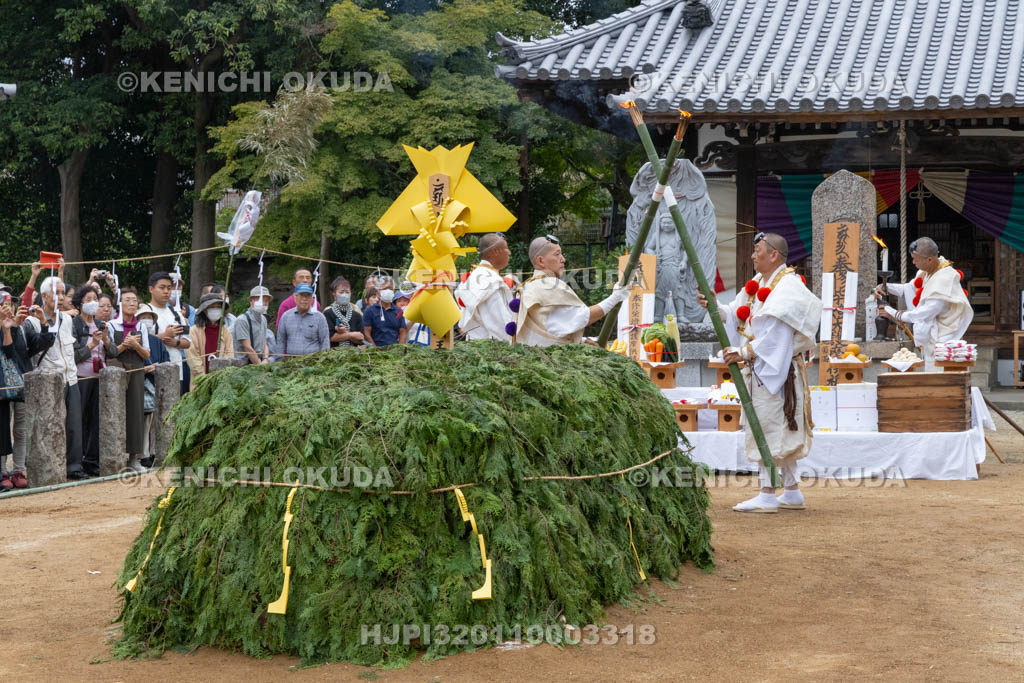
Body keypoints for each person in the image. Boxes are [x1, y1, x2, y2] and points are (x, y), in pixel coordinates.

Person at [698, 232, 821, 513]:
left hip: (779, 369)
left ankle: (767, 493)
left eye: (757, 251)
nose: (753, 255)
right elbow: (736, 313)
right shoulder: (757, 284)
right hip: (762, 366)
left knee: (769, 426)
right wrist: (715, 306)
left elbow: (778, 333)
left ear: (773, 254)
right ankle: (791, 491)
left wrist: (744, 352)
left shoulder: (788, 285)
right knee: (775, 426)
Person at [876, 236, 973, 371]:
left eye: (916, 259)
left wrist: (894, 313)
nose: (913, 262)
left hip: (944, 340)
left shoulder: (944, 278)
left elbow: (924, 313)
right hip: (931, 338)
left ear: (929, 259)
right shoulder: (927, 271)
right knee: (931, 377)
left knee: (942, 378)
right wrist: (885, 286)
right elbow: (910, 288)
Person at [24, 276, 88, 479]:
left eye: (62, 293)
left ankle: (74, 466)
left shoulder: (67, 320)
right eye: (55, 293)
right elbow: (31, 350)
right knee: (49, 425)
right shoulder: (31, 322)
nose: (60, 297)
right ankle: (50, 467)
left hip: (71, 377)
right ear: (44, 296)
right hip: (47, 380)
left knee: (74, 425)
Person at [515, 235, 628, 346]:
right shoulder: (548, 284)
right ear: (541, 261)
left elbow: (549, 328)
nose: (563, 259)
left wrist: (581, 340)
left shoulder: (528, 286)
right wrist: (615, 297)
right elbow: (583, 317)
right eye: (557, 254)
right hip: (552, 356)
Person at [1, 299, 54, 489]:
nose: (8, 308)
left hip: (22, 382)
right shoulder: (9, 327)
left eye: (10, 304)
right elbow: (8, 352)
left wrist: (44, 324)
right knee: (2, 429)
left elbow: (42, 344)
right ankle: (2, 471)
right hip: (2, 386)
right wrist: (7, 328)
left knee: (21, 429)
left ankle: (18, 470)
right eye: (3, 304)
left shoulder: (23, 328)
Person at [106, 289, 151, 473]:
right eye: (127, 300)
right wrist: (125, 345)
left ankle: (134, 458)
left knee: (135, 412)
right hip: (117, 369)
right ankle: (113, 457)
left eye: (134, 300)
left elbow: (147, 354)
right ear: (119, 304)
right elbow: (109, 352)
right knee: (114, 411)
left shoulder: (141, 326)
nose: (132, 303)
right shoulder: (111, 325)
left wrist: (136, 345)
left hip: (137, 370)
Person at [71, 286, 109, 475]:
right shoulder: (74, 324)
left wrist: (106, 340)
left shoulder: (100, 324)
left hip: (100, 376)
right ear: (79, 303)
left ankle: (92, 460)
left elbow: (113, 351)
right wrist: (92, 344)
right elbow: (73, 355)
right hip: (80, 377)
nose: (93, 302)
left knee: (96, 420)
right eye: (88, 299)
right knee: (79, 420)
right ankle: (76, 462)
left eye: (95, 298)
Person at [455, 233, 515, 340]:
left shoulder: (478, 275)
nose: (509, 252)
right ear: (495, 251)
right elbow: (501, 327)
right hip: (492, 346)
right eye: (506, 248)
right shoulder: (488, 281)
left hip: (477, 344)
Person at [137, 303, 170, 468]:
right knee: (144, 421)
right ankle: (143, 454)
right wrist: (144, 369)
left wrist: (157, 367)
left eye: (149, 317)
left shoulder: (157, 341)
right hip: (141, 384)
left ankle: (154, 452)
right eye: (143, 317)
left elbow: (167, 361)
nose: (146, 320)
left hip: (157, 384)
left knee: (157, 421)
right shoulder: (134, 339)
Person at [148, 271, 191, 394]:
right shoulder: (145, 312)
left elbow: (187, 342)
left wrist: (175, 343)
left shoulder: (176, 313)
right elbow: (141, 340)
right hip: (153, 370)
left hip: (177, 369)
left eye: (169, 288)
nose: (166, 291)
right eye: (162, 288)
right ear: (151, 289)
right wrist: (164, 336)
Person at [275, 283, 330, 358]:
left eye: (308, 296)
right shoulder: (286, 316)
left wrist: (323, 360)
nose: (304, 299)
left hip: (313, 361)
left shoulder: (320, 317)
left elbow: (325, 342)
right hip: (291, 362)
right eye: (301, 295)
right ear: (295, 297)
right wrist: (279, 361)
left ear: (312, 298)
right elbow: (281, 342)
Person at [186, 293, 234, 376]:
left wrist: (221, 375)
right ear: (204, 310)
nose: (215, 309)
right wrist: (205, 379)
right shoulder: (194, 331)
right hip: (200, 380)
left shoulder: (225, 331)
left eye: (218, 307)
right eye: (212, 307)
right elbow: (193, 359)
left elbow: (229, 354)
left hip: (220, 378)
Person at [234, 286, 273, 364]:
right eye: (262, 300)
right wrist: (259, 365)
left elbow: (264, 343)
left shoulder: (264, 319)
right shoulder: (242, 320)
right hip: (244, 364)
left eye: (267, 301)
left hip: (260, 361)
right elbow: (247, 347)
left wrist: (265, 359)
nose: (265, 303)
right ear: (251, 301)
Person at [323, 277, 365, 349]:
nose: (345, 295)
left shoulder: (356, 315)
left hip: (353, 353)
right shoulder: (328, 313)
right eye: (341, 292)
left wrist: (344, 333)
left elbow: (360, 339)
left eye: (347, 292)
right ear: (334, 294)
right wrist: (351, 335)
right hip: (333, 353)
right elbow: (329, 337)